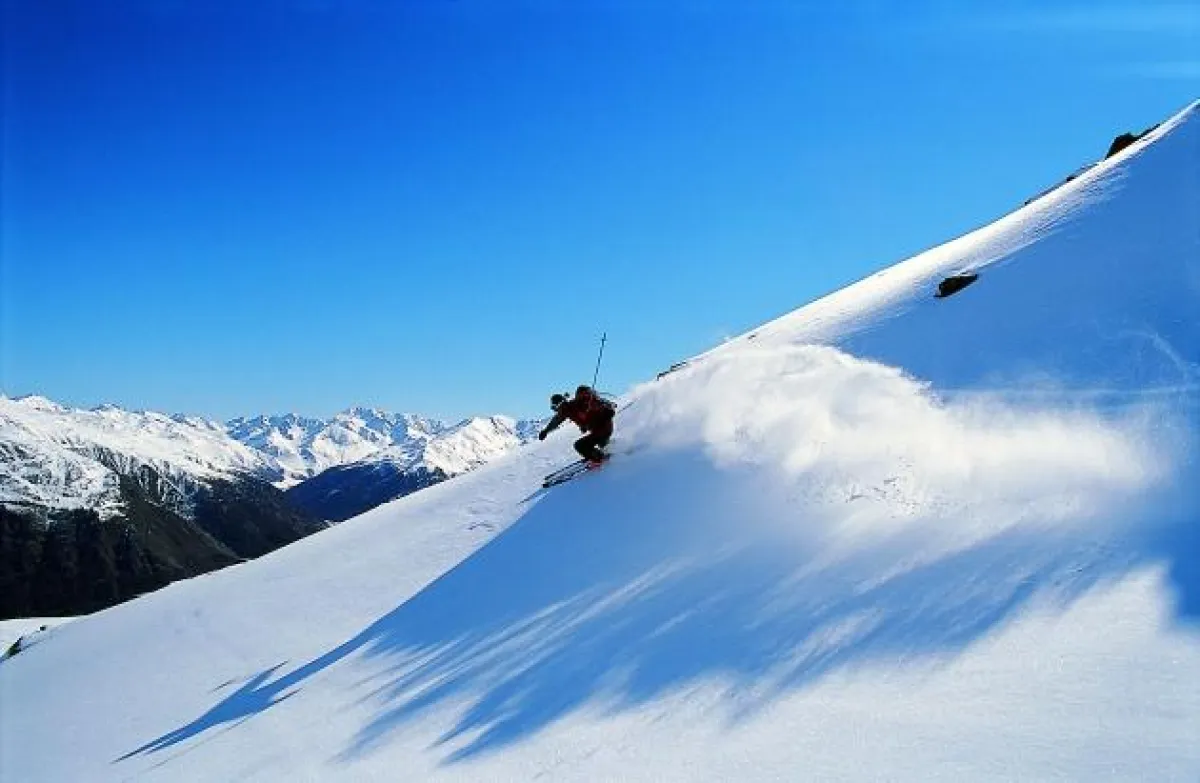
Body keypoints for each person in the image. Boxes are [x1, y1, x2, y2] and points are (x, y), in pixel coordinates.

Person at [538, 385, 616, 465]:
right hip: (599, 430)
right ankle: (616, 450)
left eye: (554, 407)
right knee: (603, 444)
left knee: (580, 445)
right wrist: (545, 431)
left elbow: (596, 406)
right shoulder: (566, 410)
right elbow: (556, 421)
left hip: (602, 428)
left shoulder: (575, 405)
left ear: (559, 404)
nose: (555, 410)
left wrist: (606, 410)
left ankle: (598, 458)